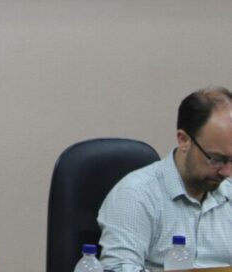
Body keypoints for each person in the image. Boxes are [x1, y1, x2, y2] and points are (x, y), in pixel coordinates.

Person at [98, 87, 232, 271]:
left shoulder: (228, 192)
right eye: (217, 159)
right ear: (184, 140)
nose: (227, 172)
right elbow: (118, 268)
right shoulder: (135, 195)